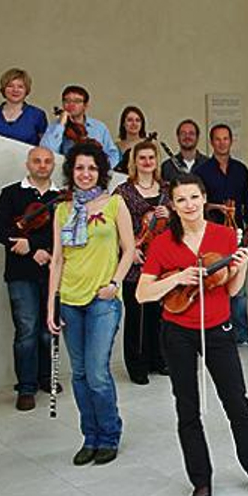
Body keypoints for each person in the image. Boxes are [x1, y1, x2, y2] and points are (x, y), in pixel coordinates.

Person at [136, 174, 248, 496]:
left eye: (194, 198)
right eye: (181, 200)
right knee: (187, 408)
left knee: (237, 403)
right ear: (172, 204)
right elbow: (143, 293)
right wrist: (178, 280)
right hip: (177, 332)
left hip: (218, 329)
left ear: (204, 198)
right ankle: (200, 480)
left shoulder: (226, 235)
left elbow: (230, 290)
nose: (188, 205)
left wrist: (241, 267)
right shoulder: (162, 242)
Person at [46, 141, 135, 466]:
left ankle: (109, 435)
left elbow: (130, 250)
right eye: (80, 168)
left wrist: (114, 283)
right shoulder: (62, 210)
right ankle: (90, 437)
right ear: (72, 171)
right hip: (69, 299)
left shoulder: (115, 204)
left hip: (103, 300)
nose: (85, 174)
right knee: (80, 374)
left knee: (97, 372)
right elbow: (57, 260)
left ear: (101, 171)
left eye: (91, 168)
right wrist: (50, 306)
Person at [0, 147, 59, 410]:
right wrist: (30, 247)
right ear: (28, 164)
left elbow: (62, 232)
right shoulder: (11, 193)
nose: (42, 165)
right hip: (20, 273)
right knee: (27, 330)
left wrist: (41, 248)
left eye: (47, 161)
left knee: (47, 329)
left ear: (53, 165)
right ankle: (26, 387)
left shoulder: (60, 197)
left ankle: (44, 378)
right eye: (37, 161)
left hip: (52, 270)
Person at [194, 124, 248, 349]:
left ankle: (242, 334)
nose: (222, 143)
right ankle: (216, 332)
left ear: (231, 141)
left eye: (226, 139)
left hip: (237, 233)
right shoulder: (202, 171)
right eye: (217, 139)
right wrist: (216, 207)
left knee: (239, 285)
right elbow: (198, 202)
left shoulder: (240, 169)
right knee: (214, 282)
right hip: (212, 233)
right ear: (211, 142)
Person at [113, 140, 170, 384]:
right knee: (136, 315)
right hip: (135, 259)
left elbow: (178, 223)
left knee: (159, 313)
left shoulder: (167, 190)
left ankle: (159, 359)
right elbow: (112, 225)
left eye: (151, 158)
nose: (147, 162)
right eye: (142, 158)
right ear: (134, 162)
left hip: (162, 261)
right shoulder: (123, 191)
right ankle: (137, 365)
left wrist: (171, 214)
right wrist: (128, 250)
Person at [40, 85, 121, 168]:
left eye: (77, 101)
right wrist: (61, 125)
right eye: (67, 101)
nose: (71, 105)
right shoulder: (55, 127)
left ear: (85, 106)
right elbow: (46, 151)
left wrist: (102, 169)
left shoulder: (99, 127)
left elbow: (113, 154)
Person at [0, 68, 47, 145]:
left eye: (20, 87)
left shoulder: (37, 115)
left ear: (26, 90)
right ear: (3, 89)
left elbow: (44, 146)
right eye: (10, 86)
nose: (15, 90)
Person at [114, 106, 149, 175]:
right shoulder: (115, 146)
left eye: (137, 120)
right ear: (123, 123)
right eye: (130, 120)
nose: (134, 123)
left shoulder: (148, 145)